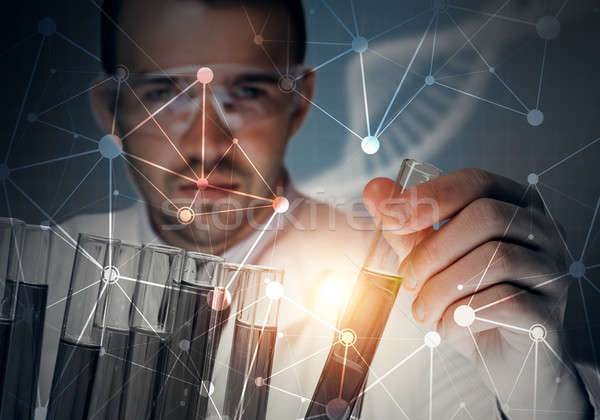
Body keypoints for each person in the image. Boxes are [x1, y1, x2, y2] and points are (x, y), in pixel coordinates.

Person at [38, 0, 594, 418]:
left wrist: (539, 388)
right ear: (111, 107)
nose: (207, 142)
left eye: (247, 91)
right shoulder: (37, 276)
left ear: (297, 100)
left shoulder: (413, 298)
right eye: (164, 94)